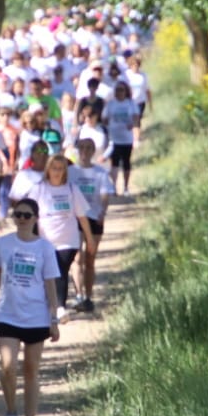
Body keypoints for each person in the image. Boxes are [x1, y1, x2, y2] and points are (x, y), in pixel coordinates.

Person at [0, 198, 60, 416]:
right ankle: (11, 412)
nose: (23, 219)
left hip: (36, 317)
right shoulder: (2, 245)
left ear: (36, 219)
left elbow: (50, 286)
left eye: (27, 215)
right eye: (18, 215)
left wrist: (54, 318)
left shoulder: (45, 248)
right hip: (7, 314)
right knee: (7, 367)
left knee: (31, 371)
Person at [28, 155, 93, 320]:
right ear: (48, 169)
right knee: (50, 272)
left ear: (65, 171)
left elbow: (82, 216)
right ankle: (50, 306)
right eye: (54, 168)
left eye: (60, 168)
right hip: (46, 239)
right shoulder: (39, 189)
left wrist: (89, 238)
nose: (57, 172)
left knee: (61, 270)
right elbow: (28, 214)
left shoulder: (72, 189)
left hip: (68, 239)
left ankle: (60, 307)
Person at [69, 139, 116, 313]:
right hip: (75, 218)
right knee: (77, 257)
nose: (85, 151)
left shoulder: (100, 173)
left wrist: (102, 212)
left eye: (89, 148)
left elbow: (105, 194)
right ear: (77, 150)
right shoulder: (70, 172)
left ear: (93, 151)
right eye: (82, 147)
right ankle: (78, 294)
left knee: (90, 258)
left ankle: (88, 296)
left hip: (94, 217)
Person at [104, 80, 141, 196]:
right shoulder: (111, 104)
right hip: (114, 139)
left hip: (127, 138)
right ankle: (114, 187)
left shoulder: (130, 103)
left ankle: (126, 187)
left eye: (122, 90)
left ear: (126, 91)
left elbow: (136, 118)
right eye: (117, 90)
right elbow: (104, 118)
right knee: (114, 163)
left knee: (126, 163)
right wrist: (109, 125)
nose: (120, 92)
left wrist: (134, 127)